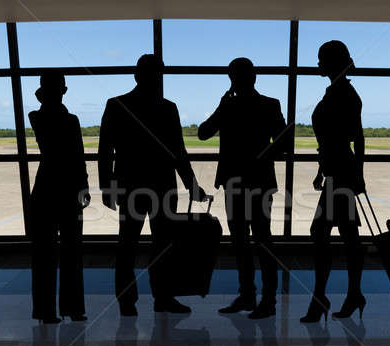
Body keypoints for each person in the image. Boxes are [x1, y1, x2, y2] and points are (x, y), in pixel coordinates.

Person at [99, 54, 207, 317]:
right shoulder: (168, 108)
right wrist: (191, 185)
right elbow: (178, 151)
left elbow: (106, 151)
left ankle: (127, 302)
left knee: (128, 245)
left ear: (137, 75)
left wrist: (108, 187)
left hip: (131, 185)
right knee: (162, 246)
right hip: (162, 185)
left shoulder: (117, 105)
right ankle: (163, 297)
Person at [198, 57, 290, 319]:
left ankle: (250, 295)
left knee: (242, 241)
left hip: (234, 182)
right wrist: (262, 157)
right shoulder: (270, 105)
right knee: (262, 239)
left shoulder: (228, 106)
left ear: (232, 79)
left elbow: (203, 133)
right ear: (254, 77)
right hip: (260, 180)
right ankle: (265, 298)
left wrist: (221, 105)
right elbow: (283, 141)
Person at [300, 40, 366, 323]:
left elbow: (356, 138)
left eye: (320, 58)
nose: (317, 63)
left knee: (323, 232)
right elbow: (331, 140)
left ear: (332, 62)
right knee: (347, 235)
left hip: (342, 173)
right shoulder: (337, 92)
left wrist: (358, 174)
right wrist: (321, 169)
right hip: (337, 172)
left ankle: (323, 297)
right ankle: (350, 294)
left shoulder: (345, 94)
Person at [29, 71, 90, 324]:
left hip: (45, 188)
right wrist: (84, 184)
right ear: (63, 90)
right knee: (72, 252)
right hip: (69, 188)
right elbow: (78, 154)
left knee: (44, 254)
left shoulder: (37, 116)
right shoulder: (69, 119)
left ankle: (45, 310)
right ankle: (73, 308)